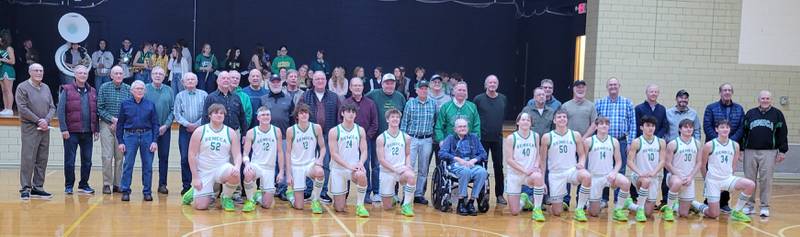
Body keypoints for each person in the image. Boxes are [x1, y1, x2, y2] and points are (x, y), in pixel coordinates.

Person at [691, 120, 755, 223]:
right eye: (722, 127)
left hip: (727, 179)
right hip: (713, 181)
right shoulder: (709, 145)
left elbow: (734, 165)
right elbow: (703, 165)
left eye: (727, 127)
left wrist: (730, 181)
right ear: (717, 129)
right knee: (713, 214)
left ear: (730, 129)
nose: (725, 129)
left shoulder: (735, 145)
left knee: (750, 185)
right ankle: (693, 203)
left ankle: (737, 211)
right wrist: (706, 180)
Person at [182, 104, 243, 211]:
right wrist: (195, 177)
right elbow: (191, 155)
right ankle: (193, 191)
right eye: (216, 113)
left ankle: (226, 197)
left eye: (221, 113)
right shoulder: (200, 131)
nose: (219, 115)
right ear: (209, 115)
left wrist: (237, 167)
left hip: (222, 169)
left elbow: (237, 155)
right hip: (204, 170)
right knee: (201, 207)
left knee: (235, 174)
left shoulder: (230, 132)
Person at [741, 90, 788, 217]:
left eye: (767, 98)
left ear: (771, 100)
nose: (765, 100)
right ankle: (749, 206)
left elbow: (782, 133)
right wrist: (740, 149)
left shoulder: (777, 114)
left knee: (766, 180)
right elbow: (744, 132)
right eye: (763, 98)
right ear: (758, 100)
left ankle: (764, 206)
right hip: (750, 150)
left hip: (769, 152)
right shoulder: (751, 113)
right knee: (749, 180)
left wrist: (782, 150)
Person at [540, 109, 592, 221]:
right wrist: (543, 181)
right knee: (557, 212)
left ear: (567, 120)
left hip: (571, 170)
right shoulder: (547, 137)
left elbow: (582, 155)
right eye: (559, 117)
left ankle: (579, 209)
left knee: (586, 176)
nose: (562, 119)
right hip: (555, 174)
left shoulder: (575, 135)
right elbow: (542, 161)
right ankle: (558, 203)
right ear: (554, 120)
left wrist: (581, 163)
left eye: (564, 117)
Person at [702, 83, 745, 213]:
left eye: (729, 90)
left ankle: (724, 202)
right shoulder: (711, 108)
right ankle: (708, 201)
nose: (727, 92)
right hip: (715, 147)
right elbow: (707, 125)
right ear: (720, 92)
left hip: (730, 145)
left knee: (727, 172)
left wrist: (730, 141)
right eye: (724, 90)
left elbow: (741, 127)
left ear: (732, 92)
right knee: (713, 173)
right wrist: (719, 140)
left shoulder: (739, 108)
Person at [16, 63, 56, 200]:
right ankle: (25, 188)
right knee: (28, 158)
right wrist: (39, 120)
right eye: (36, 70)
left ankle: (38, 187)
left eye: (41, 70)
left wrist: (47, 120)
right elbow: (22, 108)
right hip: (30, 128)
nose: (39, 73)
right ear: (30, 72)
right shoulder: (22, 87)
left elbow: (52, 107)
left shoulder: (46, 87)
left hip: (45, 128)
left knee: (42, 159)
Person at [57, 65, 98, 195]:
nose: (82, 75)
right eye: (80, 73)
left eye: (85, 73)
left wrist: (96, 129)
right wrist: (63, 129)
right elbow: (60, 111)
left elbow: (95, 112)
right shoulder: (67, 89)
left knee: (87, 161)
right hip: (71, 132)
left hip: (87, 132)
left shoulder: (92, 91)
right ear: (75, 75)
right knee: (70, 160)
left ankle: (83, 185)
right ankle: (69, 185)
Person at [365, 73, 406, 202]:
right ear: (382, 84)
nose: (389, 85)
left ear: (395, 84)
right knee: (377, 165)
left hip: (395, 138)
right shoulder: (373, 94)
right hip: (378, 138)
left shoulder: (400, 97)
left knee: (396, 164)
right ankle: (376, 192)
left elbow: (404, 115)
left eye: (392, 83)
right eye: (386, 83)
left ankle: (393, 192)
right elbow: (362, 102)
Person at [302, 71, 342, 203]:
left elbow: (339, 117)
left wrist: (337, 135)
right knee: (309, 162)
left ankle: (323, 192)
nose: (320, 81)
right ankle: (308, 191)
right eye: (317, 79)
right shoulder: (305, 96)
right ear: (313, 81)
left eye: (322, 79)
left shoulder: (334, 97)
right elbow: (299, 114)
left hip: (328, 135)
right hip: (309, 135)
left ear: (326, 81)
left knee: (325, 164)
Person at [116, 80, 159, 201]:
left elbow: (155, 123)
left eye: (142, 89)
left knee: (148, 166)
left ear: (145, 91)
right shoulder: (125, 104)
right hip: (130, 137)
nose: (140, 91)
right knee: (128, 164)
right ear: (132, 91)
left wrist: (154, 140)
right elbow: (120, 124)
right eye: (137, 89)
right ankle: (125, 191)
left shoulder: (150, 104)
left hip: (147, 136)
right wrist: (121, 141)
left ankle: (147, 191)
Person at [595, 77, 637, 200]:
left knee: (621, 169)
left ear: (619, 86)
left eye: (615, 84)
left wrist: (630, 143)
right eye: (610, 85)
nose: (613, 87)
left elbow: (632, 123)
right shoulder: (599, 103)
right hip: (604, 141)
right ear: (607, 87)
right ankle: (604, 198)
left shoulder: (627, 102)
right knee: (605, 168)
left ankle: (619, 199)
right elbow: (595, 123)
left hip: (622, 141)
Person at [584, 117, 632, 221]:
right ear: (596, 127)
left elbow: (619, 162)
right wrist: (585, 175)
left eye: (606, 123)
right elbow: (582, 159)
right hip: (594, 177)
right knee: (594, 213)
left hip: (608, 175)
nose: (604, 125)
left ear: (609, 126)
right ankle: (590, 202)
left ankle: (618, 210)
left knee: (626, 182)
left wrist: (614, 173)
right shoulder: (588, 141)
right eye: (601, 123)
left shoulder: (614, 141)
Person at [438, 118, 488, 216]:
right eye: (460, 127)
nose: (462, 128)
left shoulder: (473, 138)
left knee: (482, 172)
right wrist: (457, 159)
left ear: (468, 128)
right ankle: (461, 202)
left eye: (464, 126)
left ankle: (471, 201)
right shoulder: (450, 138)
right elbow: (441, 153)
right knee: (465, 171)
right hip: (456, 165)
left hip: (471, 164)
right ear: (455, 129)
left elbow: (483, 154)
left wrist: (474, 160)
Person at [328, 103, 370, 217]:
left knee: (362, 175)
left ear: (356, 114)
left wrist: (361, 162)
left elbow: (364, 150)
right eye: (348, 111)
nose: (351, 114)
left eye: (353, 112)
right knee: (339, 209)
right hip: (338, 169)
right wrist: (348, 166)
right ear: (342, 113)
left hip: (354, 168)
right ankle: (338, 201)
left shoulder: (360, 130)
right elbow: (334, 154)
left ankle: (360, 205)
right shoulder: (334, 131)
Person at [502, 112, 546, 221]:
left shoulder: (535, 136)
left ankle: (537, 209)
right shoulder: (511, 138)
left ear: (531, 123)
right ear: (518, 122)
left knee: (538, 176)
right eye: (523, 119)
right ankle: (524, 200)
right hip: (515, 175)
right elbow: (509, 160)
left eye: (528, 120)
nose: (525, 122)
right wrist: (525, 171)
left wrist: (536, 166)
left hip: (529, 175)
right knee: (515, 212)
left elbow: (537, 154)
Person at [342, 77, 379, 204]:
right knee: (346, 166)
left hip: (365, 141)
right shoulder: (345, 103)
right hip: (347, 141)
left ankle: (367, 193)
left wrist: (365, 138)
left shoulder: (370, 103)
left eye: (360, 85)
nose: (357, 88)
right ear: (350, 88)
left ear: (363, 87)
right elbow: (339, 121)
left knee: (365, 167)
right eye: (355, 86)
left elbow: (375, 124)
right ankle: (343, 194)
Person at [242, 106, 285, 211]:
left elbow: (280, 152)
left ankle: (258, 196)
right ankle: (250, 200)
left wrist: (281, 171)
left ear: (270, 116)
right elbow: (245, 153)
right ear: (258, 117)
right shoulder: (251, 132)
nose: (265, 117)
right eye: (263, 115)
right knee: (248, 173)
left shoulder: (277, 131)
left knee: (267, 205)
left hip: (269, 168)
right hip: (256, 165)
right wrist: (247, 164)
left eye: (267, 115)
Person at [285, 103, 327, 212]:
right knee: (299, 206)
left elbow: (322, 147)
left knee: (320, 172)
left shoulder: (316, 128)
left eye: (306, 113)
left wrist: (320, 159)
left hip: (310, 164)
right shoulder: (291, 130)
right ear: (297, 116)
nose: (304, 115)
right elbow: (288, 153)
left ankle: (315, 200)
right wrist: (289, 174)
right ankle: (291, 196)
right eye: (301, 113)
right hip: (296, 166)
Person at [473, 75, 508, 205]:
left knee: (499, 167)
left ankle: (499, 195)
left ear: (497, 84)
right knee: (481, 167)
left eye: (494, 82)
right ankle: (481, 194)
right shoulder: (479, 99)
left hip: (497, 138)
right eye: (490, 82)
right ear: (486, 84)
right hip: (482, 139)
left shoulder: (503, 99)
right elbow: (475, 118)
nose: (492, 84)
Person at [97, 66, 132, 194]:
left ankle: (118, 184)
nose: (118, 75)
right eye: (116, 73)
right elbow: (99, 108)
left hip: (122, 127)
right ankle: (106, 184)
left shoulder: (128, 90)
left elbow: (130, 109)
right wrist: (112, 119)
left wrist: (120, 123)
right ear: (111, 75)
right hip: (106, 125)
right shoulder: (104, 88)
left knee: (119, 157)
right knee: (107, 156)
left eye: (120, 73)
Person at [401, 80, 436, 205]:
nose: (424, 90)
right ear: (416, 90)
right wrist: (404, 140)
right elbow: (404, 122)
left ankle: (419, 194)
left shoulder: (433, 104)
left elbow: (435, 122)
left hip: (427, 139)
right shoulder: (410, 103)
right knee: (409, 167)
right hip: (412, 139)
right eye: (421, 88)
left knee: (423, 169)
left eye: (426, 88)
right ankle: (406, 194)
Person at [626, 116, 666, 222]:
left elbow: (662, 161)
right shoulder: (637, 142)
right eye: (648, 125)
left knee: (648, 213)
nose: (650, 128)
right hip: (639, 176)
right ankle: (639, 210)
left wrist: (654, 172)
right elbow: (629, 161)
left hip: (654, 176)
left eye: (652, 126)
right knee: (646, 181)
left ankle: (630, 204)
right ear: (641, 127)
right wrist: (640, 173)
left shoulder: (661, 142)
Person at [173, 72, 208, 195]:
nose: (190, 81)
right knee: (184, 158)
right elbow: (177, 114)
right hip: (185, 130)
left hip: (201, 130)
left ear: (197, 82)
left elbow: (206, 113)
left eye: (193, 79)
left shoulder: (204, 95)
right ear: (183, 82)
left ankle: (202, 184)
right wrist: (188, 125)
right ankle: (186, 186)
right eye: (187, 80)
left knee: (201, 158)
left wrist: (196, 125)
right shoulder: (179, 96)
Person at [377, 108, 416, 216]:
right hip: (387, 171)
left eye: (397, 117)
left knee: (411, 176)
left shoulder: (406, 137)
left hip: (402, 170)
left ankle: (406, 205)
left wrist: (408, 165)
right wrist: (395, 169)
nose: (395, 119)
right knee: (387, 208)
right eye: (392, 117)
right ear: (387, 120)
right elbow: (381, 159)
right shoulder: (381, 138)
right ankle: (391, 198)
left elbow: (408, 154)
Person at [664, 119, 702, 219]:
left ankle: (689, 204)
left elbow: (699, 163)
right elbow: (667, 163)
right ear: (680, 129)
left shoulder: (697, 143)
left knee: (684, 214)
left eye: (691, 127)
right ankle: (669, 208)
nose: (688, 129)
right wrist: (680, 176)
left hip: (689, 179)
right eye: (686, 127)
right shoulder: (673, 143)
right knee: (677, 182)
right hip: (674, 177)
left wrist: (690, 177)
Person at [144, 67, 174, 194]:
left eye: (160, 74)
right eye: (155, 73)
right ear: (151, 75)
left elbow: (173, 110)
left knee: (164, 157)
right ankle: (147, 186)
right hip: (148, 130)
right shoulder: (144, 89)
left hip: (164, 130)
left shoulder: (169, 90)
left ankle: (162, 184)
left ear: (164, 76)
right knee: (148, 159)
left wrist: (166, 125)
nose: (158, 75)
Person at [0, 31, 16, 116]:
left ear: (3, 38)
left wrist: (2, 60)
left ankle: (10, 109)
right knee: (3, 90)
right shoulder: (1, 49)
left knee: (8, 90)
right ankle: (6, 108)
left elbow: (13, 61)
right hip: (1, 69)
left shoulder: (9, 48)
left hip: (8, 69)